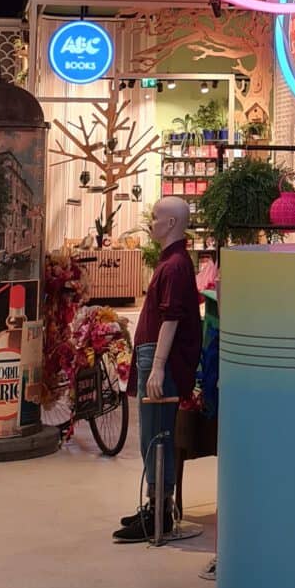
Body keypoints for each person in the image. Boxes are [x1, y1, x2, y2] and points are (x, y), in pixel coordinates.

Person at [114, 196, 201, 544]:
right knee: (152, 434)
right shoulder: (172, 263)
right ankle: (157, 506)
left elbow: (172, 317)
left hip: (158, 356)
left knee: (156, 435)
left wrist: (159, 366)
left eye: (156, 218)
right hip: (153, 354)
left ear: (170, 224)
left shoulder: (175, 266)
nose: (151, 223)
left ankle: (159, 512)